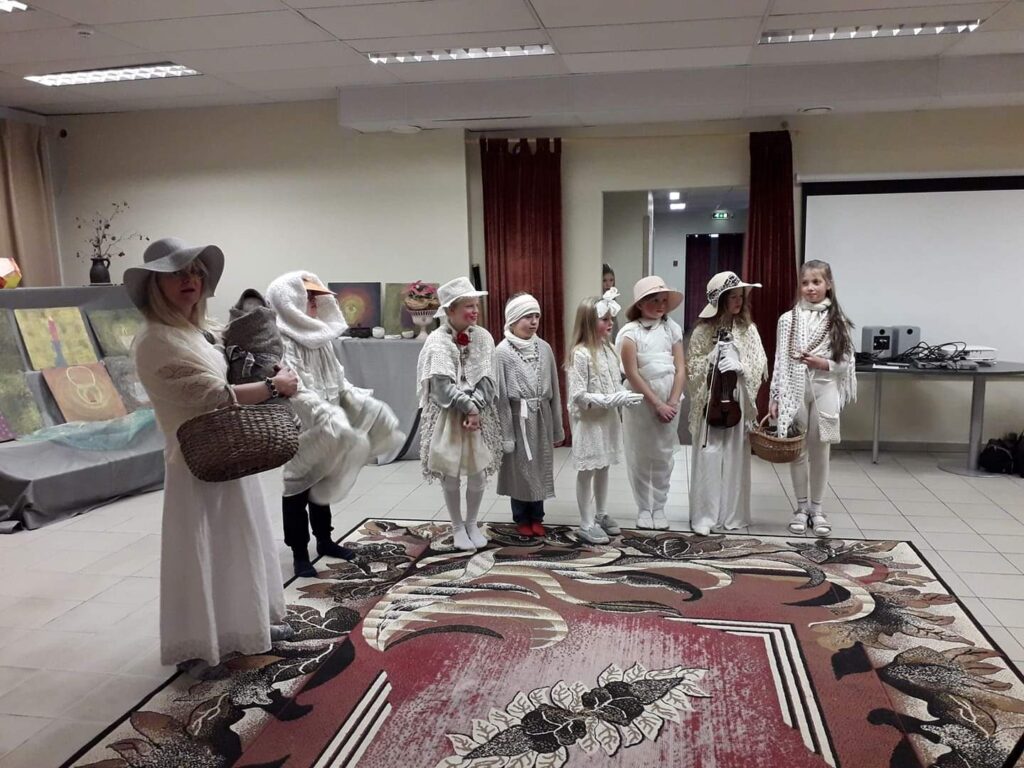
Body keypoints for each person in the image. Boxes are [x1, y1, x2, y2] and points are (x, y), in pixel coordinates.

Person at [127, 238, 295, 679]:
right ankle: (203, 644)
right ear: (155, 285)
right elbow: (212, 395)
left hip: (228, 450)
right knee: (207, 550)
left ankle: (249, 625)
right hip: (195, 464)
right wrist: (275, 388)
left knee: (241, 543)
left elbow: (232, 377)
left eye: (196, 272)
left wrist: (271, 372)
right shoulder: (155, 340)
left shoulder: (198, 331)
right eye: (178, 274)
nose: (190, 280)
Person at [266, 271, 403, 578]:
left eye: (317, 297)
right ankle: (299, 553)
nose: (316, 302)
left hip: (328, 426)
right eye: (309, 297)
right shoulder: (283, 339)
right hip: (301, 428)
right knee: (297, 490)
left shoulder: (319, 337)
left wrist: (361, 401)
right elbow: (295, 388)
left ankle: (325, 540)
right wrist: (325, 415)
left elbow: (337, 379)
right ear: (291, 300)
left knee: (322, 484)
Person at [769, 259, 857, 537]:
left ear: (828, 284)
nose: (810, 288)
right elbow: (780, 361)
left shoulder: (838, 321)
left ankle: (817, 509)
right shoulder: (787, 320)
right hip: (794, 390)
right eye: (805, 282)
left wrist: (823, 364)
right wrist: (775, 396)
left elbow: (846, 363)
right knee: (797, 450)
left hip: (825, 388)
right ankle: (800, 507)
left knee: (821, 450)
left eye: (816, 282)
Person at [417, 277, 503, 551]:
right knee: (451, 472)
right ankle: (457, 526)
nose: (475, 311)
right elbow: (441, 387)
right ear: (451, 310)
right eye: (468, 305)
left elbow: (488, 377)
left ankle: (472, 523)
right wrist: (468, 407)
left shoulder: (483, 337)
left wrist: (477, 407)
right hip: (448, 415)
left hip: (479, 416)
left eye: (476, 305)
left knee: (478, 473)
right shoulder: (437, 341)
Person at [686, 272, 767, 536]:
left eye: (740, 296)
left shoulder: (748, 330)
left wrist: (741, 367)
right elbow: (692, 366)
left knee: (734, 456)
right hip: (711, 401)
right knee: (708, 456)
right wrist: (709, 360)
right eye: (732, 296)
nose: (738, 301)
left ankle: (732, 514)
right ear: (719, 300)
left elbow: (759, 363)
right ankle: (704, 515)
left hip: (736, 400)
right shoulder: (702, 331)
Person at [566, 289, 644, 544]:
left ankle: (601, 513)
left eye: (612, 319)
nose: (611, 324)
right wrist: (612, 400)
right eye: (605, 319)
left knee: (603, 467)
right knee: (587, 470)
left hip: (608, 420)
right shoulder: (580, 354)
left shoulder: (609, 349)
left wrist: (624, 395)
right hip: (590, 423)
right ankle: (586, 522)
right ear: (590, 322)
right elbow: (579, 395)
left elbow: (614, 382)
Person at [616, 276, 686, 530]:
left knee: (663, 456)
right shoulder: (630, 333)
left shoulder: (672, 329)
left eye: (663, 300)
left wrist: (673, 401)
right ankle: (644, 507)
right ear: (640, 304)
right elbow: (632, 373)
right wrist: (657, 404)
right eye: (654, 300)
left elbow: (680, 368)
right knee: (640, 454)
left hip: (670, 400)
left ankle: (659, 506)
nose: (660, 305)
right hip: (641, 401)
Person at [495, 293, 564, 537]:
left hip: (541, 416)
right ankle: (521, 517)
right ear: (513, 319)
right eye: (527, 317)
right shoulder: (502, 352)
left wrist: (557, 427)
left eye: (536, 316)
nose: (534, 321)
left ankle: (537, 516)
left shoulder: (544, 348)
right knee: (520, 470)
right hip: (518, 419)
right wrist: (506, 435)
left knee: (540, 467)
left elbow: (554, 389)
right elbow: (500, 398)